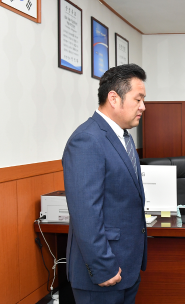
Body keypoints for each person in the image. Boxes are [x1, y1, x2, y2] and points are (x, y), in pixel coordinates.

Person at [62, 63, 148, 304]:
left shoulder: (124, 137)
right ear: (114, 98)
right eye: (138, 99)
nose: (143, 106)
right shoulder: (87, 139)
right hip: (103, 274)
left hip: (126, 269)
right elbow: (85, 214)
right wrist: (103, 267)